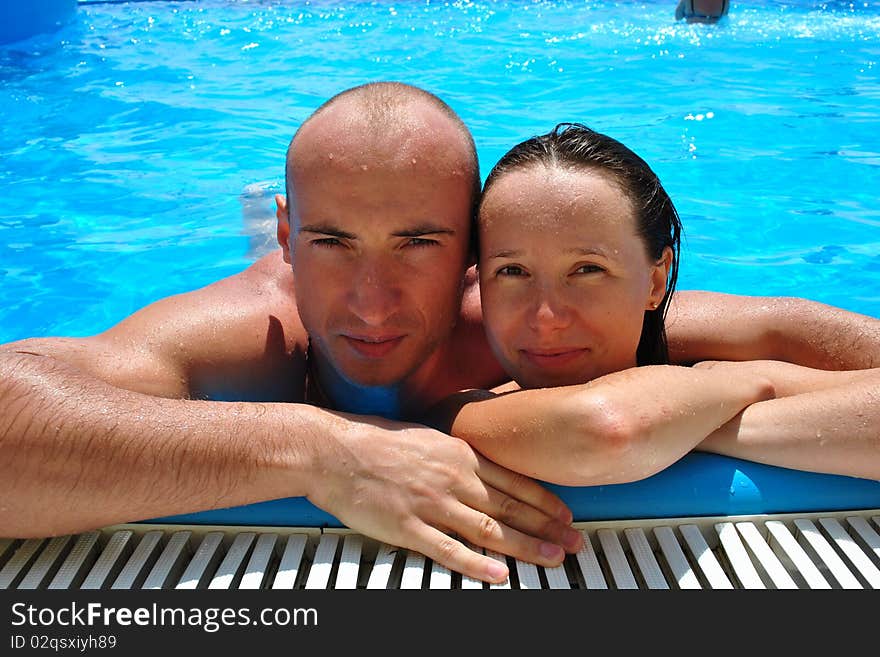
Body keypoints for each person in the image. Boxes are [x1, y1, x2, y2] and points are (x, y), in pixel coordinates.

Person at [1, 83, 878, 585]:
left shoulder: (521, 318)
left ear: (470, 251)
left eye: (418, 243)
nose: (373, 301)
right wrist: (317, 447)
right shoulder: (259, 333)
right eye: (331, 243)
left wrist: (718, 394)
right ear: (288, 243)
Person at [423, 123, 880, 485]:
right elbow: (606, 431)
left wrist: (687, 411)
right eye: (513, 272)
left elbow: (786, 323)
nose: (547, 317)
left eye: (587, 270)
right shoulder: (456, 408)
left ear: (655, 279)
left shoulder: (698, 348)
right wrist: (743, 382)